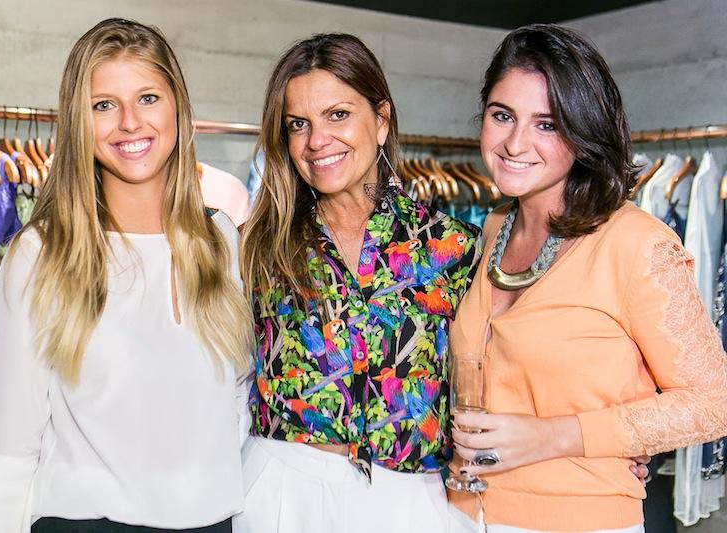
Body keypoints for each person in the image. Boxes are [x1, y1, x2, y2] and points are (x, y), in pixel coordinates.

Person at [0, 18, 253, 533]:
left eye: (148, 98)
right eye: (104, 105)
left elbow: (236, 410)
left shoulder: (221, 240)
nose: (130, 122)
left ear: (178, 108)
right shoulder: (42, 254)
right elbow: (9, 448)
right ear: (79, 122)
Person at [448, 24, 727, 532]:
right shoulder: (493, 227)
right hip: (464, 513)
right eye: (502, 115)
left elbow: (713, 404)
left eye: (547, 124)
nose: (515, 143)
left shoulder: (635, 243)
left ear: (584, 133)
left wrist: (559, 435)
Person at [237, 33, 481, 533]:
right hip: (282, 495)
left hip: (410, 503)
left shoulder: (453, 247)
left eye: (338, 115)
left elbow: (503, 376)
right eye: (298, 124)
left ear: (382, 119)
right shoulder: (253, 246)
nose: (316, 141)